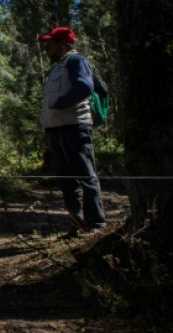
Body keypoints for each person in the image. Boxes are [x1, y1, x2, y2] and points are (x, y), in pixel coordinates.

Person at [38, 27, 106, 233]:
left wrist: (61, 103)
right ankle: (77, 225)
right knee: (67, 180)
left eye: (50, 43)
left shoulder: (76, 61)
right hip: (57, 129)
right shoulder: (58, 66)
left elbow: (85, 87)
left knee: (85, 175)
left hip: (75, 127)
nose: (46, 48)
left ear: (62, 44)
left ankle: (95, 224)